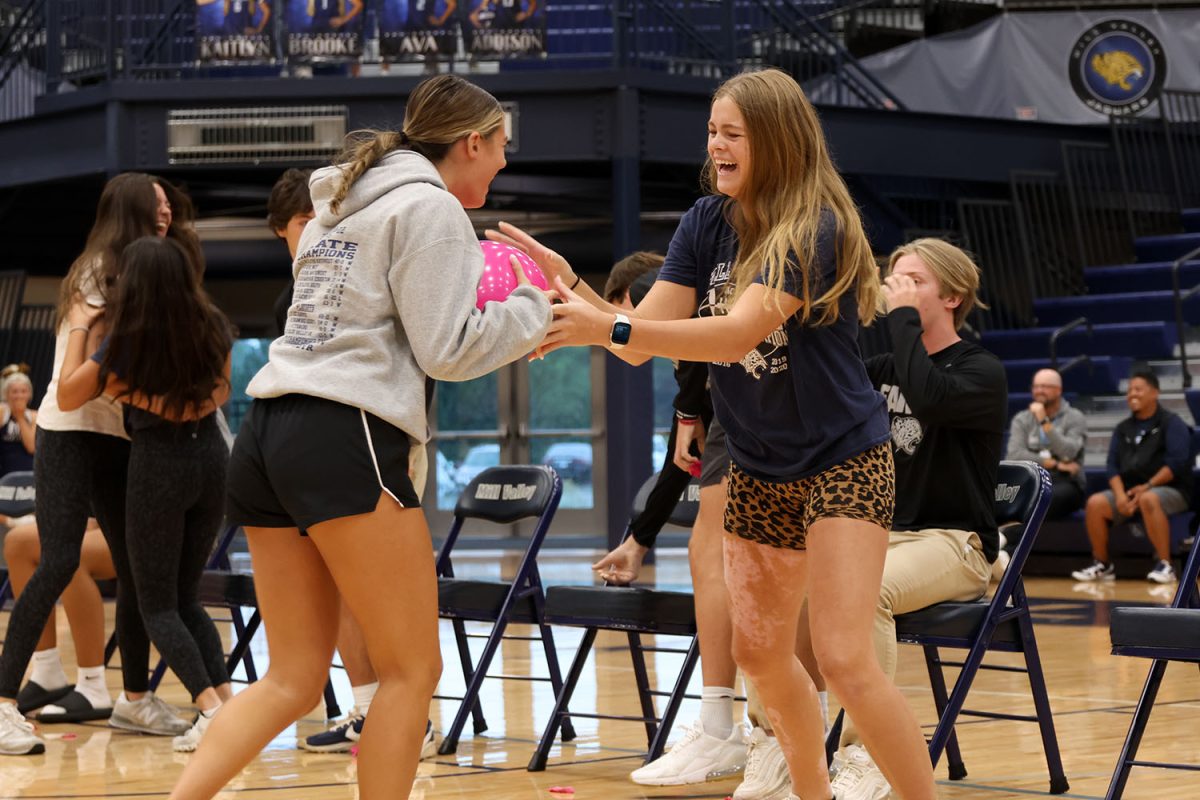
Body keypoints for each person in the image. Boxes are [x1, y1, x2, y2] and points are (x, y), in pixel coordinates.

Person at [500, 68, 936, 800]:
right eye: (712, 132)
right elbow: (641, 344)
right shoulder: (706, 220)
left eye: (732, 133)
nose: (716, 146)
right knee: (762, 655)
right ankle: (812, 794)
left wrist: (602, 322)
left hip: (843, 459)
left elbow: (734, 335)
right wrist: (573, 289)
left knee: (842, 659)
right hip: (762, 464)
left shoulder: (817, 227)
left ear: (775, 140)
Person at [169, 74, 551, 800]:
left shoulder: (334, 209)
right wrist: (535, 308)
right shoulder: (430, 208)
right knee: (413, 671)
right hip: (345, 431)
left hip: (267, 434)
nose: (503, 163)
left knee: (290, 677)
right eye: (501, 147)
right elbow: (450, 351)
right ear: (470, 143)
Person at [0, 173, 195, 758]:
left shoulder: (145, 266)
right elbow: (73, 386)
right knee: (58, 559)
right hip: (68, 434)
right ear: (132, 210)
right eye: (155, 206)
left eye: (168, 206)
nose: (166, 212)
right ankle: (5, 704)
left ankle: (132, 696)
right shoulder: (99, 273)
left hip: (118, 436)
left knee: (136, 569)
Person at [818, 238, 1007, 799]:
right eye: (894, 277)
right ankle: (782, 748)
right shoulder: (882, 366)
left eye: (915, 280)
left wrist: (900, 318)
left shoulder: (981, 369)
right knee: (794, 593)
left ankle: (868, 752)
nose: (899, 287)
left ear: (952, 296)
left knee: (863, 594)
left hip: (956, 542)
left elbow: (927, 397)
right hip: (884, 534)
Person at [58, 235, 236, 753]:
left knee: (156, 605)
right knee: (187, 599)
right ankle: (227, 706)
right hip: (211, 462)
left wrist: (80, 326)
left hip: (159, 461)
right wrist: (179, 406)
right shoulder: (213, 326)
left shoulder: (128, 340)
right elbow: (221, 391)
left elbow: (69, 394)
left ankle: (211, 710)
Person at [1072, 370, 1191, 584]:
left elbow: (1176, 464)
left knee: (1149, 499)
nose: (1132, 394)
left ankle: (1166, 565)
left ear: (1155, 393)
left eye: (1138, 389)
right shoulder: (1122, 428)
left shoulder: (1172, 423)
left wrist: (1147, 486)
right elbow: (1111, 466)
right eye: (1129, 390)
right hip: (1129, 491)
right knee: (1095, 503)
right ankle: (1102, 564)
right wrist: (1119, 496)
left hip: (1171, 489)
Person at [5, 518, 116, 723]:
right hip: (104, 516)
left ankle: (93, 685)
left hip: (145, 524)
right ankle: (47, 672)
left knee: (69, 553)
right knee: (18, 543)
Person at [1006, 368, 1086, 520]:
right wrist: (1054, 463)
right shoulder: (1022, 419)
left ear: (1058, 390)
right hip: (1031, 479)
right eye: (1035, 387)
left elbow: (1069, 452)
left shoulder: (1075, 417)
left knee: (1039, 499)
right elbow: (1014, 455)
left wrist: (1044, 422)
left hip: (1066, 483)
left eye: (1044, 386)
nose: (1039, 391)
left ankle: (1004, 538)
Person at [266, 168, 315, 337]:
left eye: (322, 220)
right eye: (305, 222)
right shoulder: (284, 305)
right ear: (280, 227)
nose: (315, 231)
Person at [0, 365, 36, 477]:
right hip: (4, 473)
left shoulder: (35, 416)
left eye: (23, 391)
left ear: (29, 394)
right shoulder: (2, 412)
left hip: (28, 474)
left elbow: (31, 448)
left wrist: (20, 416)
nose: (19, 396)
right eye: (14, 391)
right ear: (6, 394)